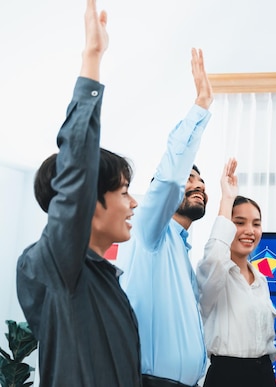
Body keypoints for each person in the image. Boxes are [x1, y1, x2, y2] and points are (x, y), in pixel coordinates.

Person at [15, 0, 142, 385]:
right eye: (123, 191)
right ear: (88, 200)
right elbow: (75, 174)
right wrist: (92, 59)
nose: (133, 203)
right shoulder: (54, 267)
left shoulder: (104, 278)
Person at [115, 48, 214, 387]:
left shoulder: (180, 249)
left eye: (201, 181)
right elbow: (170, 177)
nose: (198, 185)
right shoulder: (150, 231)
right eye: (191, 178)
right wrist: (200, 107)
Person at [196, 158, 276, 387]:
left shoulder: (261, 279)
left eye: (256, 223)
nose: (249, 231)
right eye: (239, 222)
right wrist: (227, 198)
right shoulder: (214, 274)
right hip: (228, 376)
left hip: (264, 374)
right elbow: (215, 255)